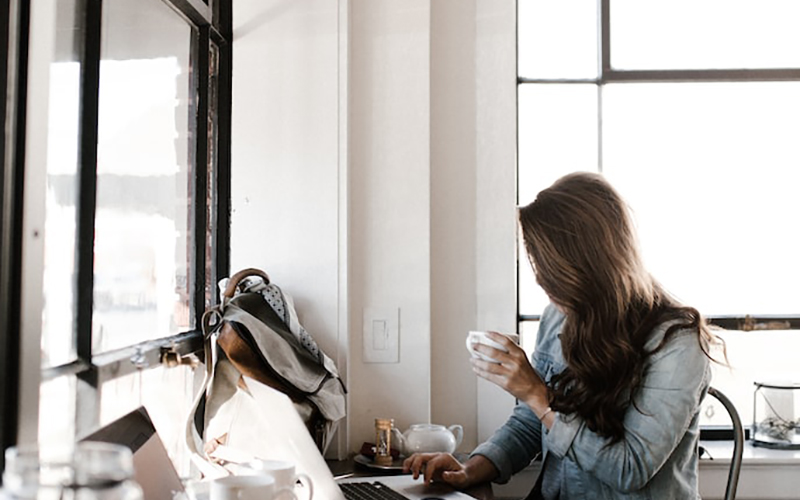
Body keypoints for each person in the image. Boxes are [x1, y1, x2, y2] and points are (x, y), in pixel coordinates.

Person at [403, 172, 724, 499]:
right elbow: (532, 423)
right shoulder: (559, 318)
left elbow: (630, 469)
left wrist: (538, 394)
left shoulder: (677, 345)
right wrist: (470, 468)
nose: (542, 281)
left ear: (588, 265)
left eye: (550, 271)